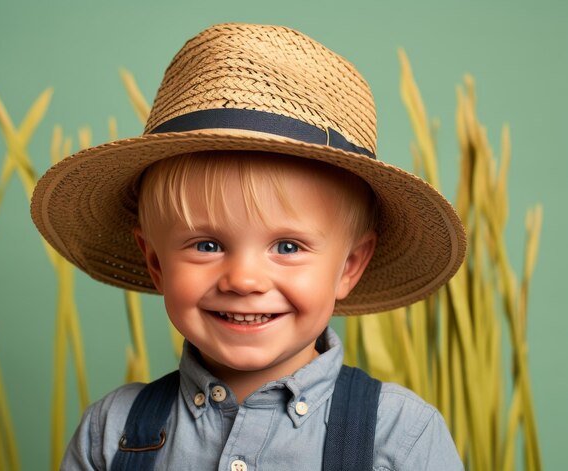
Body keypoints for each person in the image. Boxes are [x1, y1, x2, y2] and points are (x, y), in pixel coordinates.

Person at [32, 23, 466, 470]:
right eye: (206, 244)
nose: (243, 280)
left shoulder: (399, 436)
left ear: (349, 267)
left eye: (288, 247)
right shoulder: (112, 432)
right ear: (155, 261)